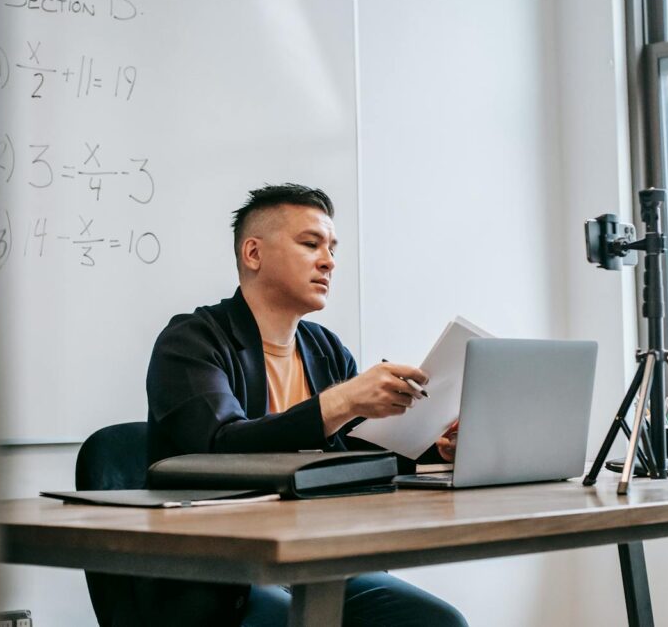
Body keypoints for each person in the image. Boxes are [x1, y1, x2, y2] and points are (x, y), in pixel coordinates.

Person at [142, 183, 466, 627]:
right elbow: (218, 448)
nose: (329, 260)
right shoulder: (190, 342)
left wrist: (434, 449)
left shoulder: (325, 349)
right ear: (253, 254)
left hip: (318, 559)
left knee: (438, 621)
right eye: (311, 244)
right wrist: (340, 401)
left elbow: (359, 456)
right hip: (223, 570)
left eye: (331, 247)